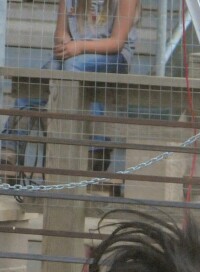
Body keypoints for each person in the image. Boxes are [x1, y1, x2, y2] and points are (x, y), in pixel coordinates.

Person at [1, 0, 141, 179]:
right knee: (45, 73)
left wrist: (78, 47)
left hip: (114, 57)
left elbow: (116, 43)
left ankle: (94, 151)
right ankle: (9, 148)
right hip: (73, 54)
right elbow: (60, 34)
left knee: (73, 67)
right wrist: (65, 44)